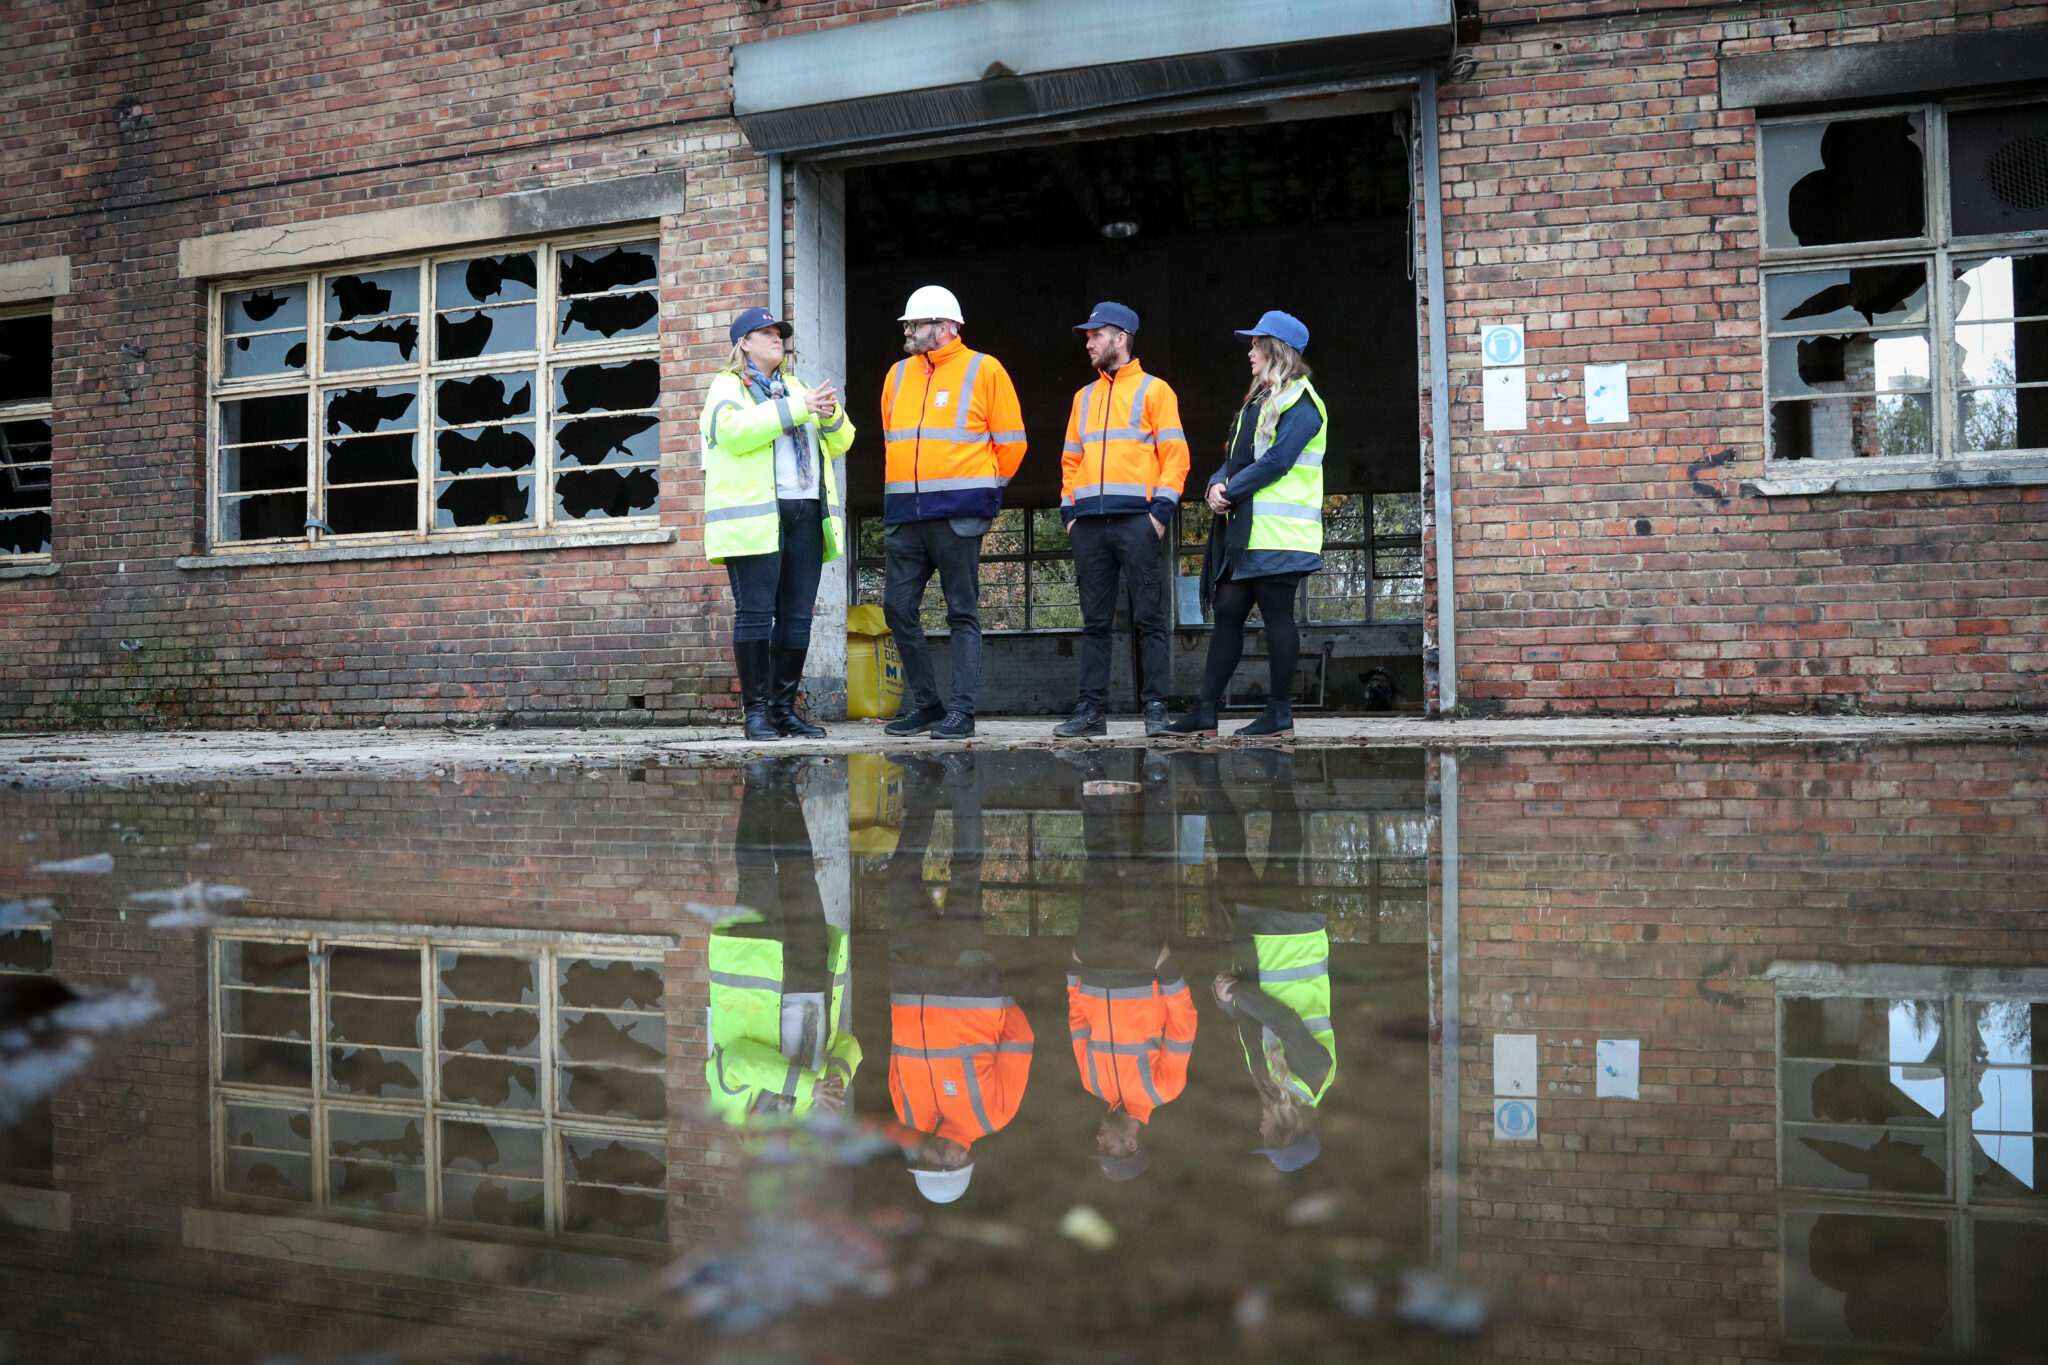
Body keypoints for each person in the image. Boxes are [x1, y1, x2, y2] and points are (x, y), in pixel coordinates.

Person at [1166, 311, 1327, 739]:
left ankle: (1279, 715)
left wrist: (1230, 490)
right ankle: (1204, 712)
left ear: (1276, 348)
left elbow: (1277, 462)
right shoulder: (1257, 402)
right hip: (1246, 533)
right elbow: (1235, 460)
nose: (1249, 351)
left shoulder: (1304, 403)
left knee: (1276, 615)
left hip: (1280, 536)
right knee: (1228, 614)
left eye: (1256, 344)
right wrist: (1216, 484)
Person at [879, 286, 1028, 741]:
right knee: (896, 609)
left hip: (959, 516)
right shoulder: (897, 375)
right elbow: (892, 439)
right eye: (907, 324)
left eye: (915, 324)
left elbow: (1013, 443)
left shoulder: (985, 369)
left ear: (945, 327)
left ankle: (961, 713)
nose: (907, 330)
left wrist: (983, 494)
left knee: (961, 612)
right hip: (906, 514)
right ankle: (928, 705)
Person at [699, 307, 855, 741]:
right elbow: (732, 432)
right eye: (764, 332)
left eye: (779, 333)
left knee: (797, 618)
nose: (776, 338)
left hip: (805, 512)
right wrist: (795, 409)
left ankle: (785, 711)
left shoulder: (798, 387)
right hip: (756, 518)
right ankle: (757, 714)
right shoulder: (727, 387)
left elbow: (844, 441)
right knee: (756, 615)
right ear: (743, 343)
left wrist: (824, 413)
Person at [884, 752, 1033, 1203]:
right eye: (937, 1165)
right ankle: (964, 778)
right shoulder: (994, 1117)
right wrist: (993, 997)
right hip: (968, 977)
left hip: (912, 974)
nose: (929, 1156)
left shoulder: (906, 1114)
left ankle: (925, 779)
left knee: (900, 874)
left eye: (923, 1163)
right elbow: (1021, 1042)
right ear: (957, 1163)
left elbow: (895, 1050)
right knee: (965, 873)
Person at [1192, 749, 1334, 1172]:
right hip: (1288, 938)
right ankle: (1281, 772)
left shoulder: (1267, 1083)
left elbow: (1248, 1025)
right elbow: (1284, 1022)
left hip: (1252, 948)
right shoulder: (1314, 1078)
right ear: (1288, 1129)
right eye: (1269, 1136)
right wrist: (1237, 991)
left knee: (1230, 855)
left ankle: (1208, 775)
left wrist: (1223, 1001)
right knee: (1283, 856)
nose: (1260, 1130)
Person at [1054, 303, 1190, 739]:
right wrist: (1069, 514)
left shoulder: (1156, 392)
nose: (1088, 343)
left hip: (1137, 521)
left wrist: (1159, 515)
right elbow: (1070, 461)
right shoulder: (1083, 397)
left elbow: (1176, 459)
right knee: (1094, 622)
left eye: (1095, 335)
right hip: (1089, 524)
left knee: (1148, 618)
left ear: (1121, 338)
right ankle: (1091, 711)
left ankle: (1154, 709)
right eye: (1087, 336)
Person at [706, 757, 860, 1124]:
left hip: (755, 976)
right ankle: (786, 779)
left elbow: (741, 1060)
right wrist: (839, 1073)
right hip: (809, 984)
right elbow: (848, 1046)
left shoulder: (730, 1108)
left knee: (756, 877)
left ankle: (758, 777)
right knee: (800, 874)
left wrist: (808, 1085)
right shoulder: (804, 1107)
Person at [1067, 751, 1196, 1181]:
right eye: (1107, 1145)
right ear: (1131, 1144)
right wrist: (1169, 970)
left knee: (1099, 860)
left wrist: (1073, 977)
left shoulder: (1092, 1085)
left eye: (1099, 1144)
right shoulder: (1165, 1089)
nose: (1099, 1138)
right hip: (1142, 962)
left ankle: (1092, 774)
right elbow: (1183, 1024)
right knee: (1152, 864)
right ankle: (1157, 775)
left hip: (1098, 956)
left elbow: (1078, 1025)